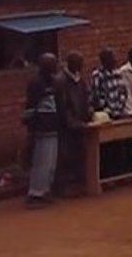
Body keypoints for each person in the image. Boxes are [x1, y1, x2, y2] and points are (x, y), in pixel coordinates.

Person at [23, 53, 61, 209]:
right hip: (41, 128)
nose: (56, 67)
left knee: (50, 162)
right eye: (53, 64)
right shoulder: (36, 83)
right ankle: (35, 193)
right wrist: (31, 127)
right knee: (40, 161)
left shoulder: (53, 81)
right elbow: (30, 106)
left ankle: (45, 190)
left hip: (53, 126)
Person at [56, 51, 91, 196]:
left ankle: (78, 184)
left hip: (79, 122)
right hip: (66, 126)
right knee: (65, 156)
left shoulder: (80, 80)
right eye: (79, 63)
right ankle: (63, 187)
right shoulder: (61, 81)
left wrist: (89, 116)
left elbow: (85, 99)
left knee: (80, 154)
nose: (82, 66)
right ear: (71, 64)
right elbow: (62, 106)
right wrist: (72, 123)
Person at [90, 49, 128, 119]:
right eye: (112, 59)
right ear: (104, 61)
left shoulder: (118, 73)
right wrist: (109, 111)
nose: (115, 60)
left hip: (120, 112)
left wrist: (119, 109)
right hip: (106, 116)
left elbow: (123, 92)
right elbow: (97, 97)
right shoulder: (97, 75)